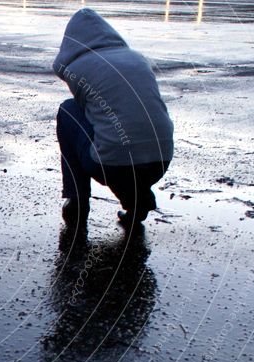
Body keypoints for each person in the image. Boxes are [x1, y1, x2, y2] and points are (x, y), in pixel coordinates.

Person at [53, 8, 174, 229]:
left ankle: (77, 201)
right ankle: (138, 199)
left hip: (113, 165)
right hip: (161, 160)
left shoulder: (78, 67)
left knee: (69, 112)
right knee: (125, 134)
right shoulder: (138, 59)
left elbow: (92, 117)